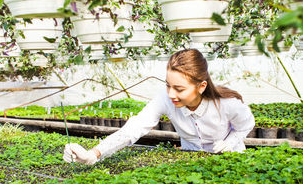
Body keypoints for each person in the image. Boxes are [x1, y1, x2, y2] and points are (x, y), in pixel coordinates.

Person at [63, 49, 255, 165]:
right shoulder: (166, 99)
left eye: (179, 88)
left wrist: (230, 143)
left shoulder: (227, 104)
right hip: (191, 162)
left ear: (201, 86)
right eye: (168, 85)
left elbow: (247, 125)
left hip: (232, 161)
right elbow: (134, 129)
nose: (171, 94)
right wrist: (93, 154)